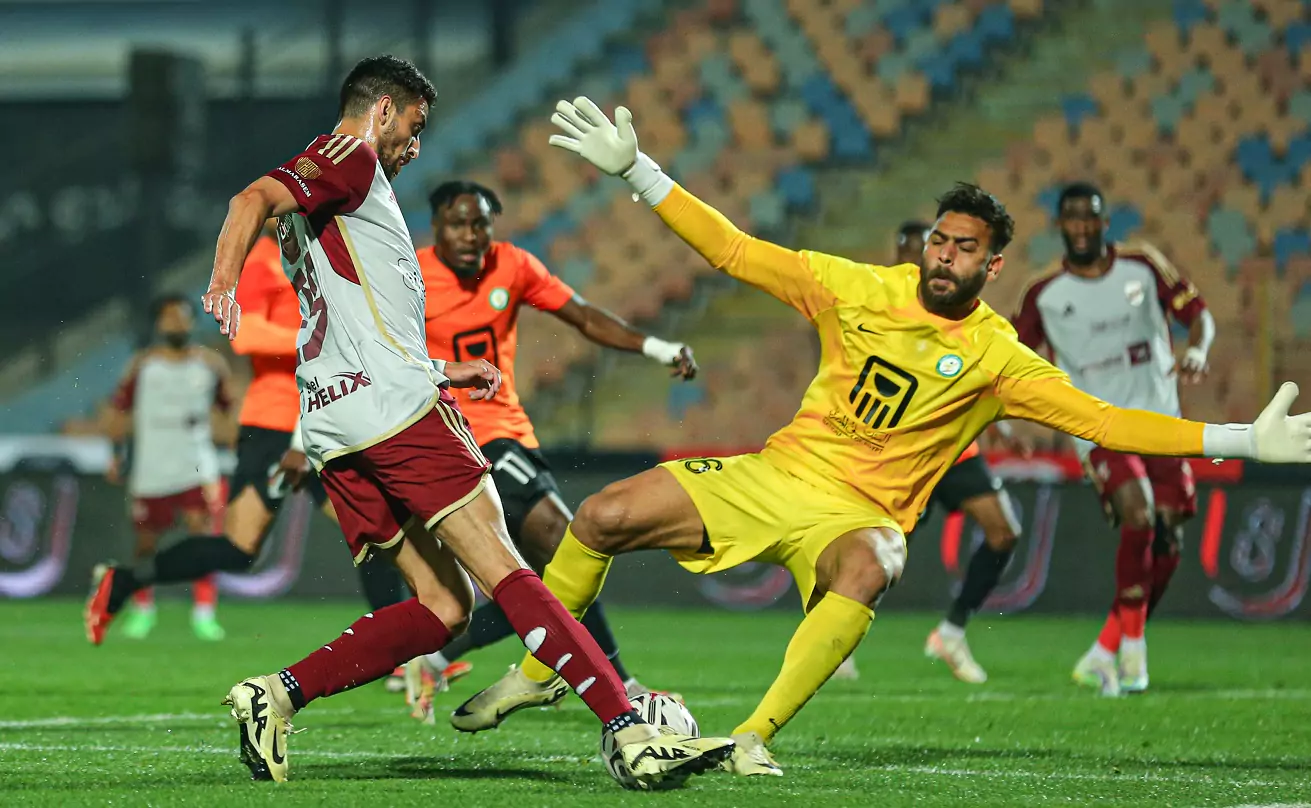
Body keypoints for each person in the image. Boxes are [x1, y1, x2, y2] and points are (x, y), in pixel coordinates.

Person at [450, 96, 1311, 777]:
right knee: (599, 514)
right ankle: (539, 672)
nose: (942, 256)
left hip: (854, 514)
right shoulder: (856, 287)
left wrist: (1236, 436)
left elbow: (1104, 420)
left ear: (991, 266)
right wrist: (638, 170)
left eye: (963, 249)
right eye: (938, 239)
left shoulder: (996, 359)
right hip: (775, 472)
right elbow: (737, 252)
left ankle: (751, 736)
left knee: (873, 562)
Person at [101, 57, 733, 786]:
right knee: (509, 568)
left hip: (338, 428)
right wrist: (221, 283)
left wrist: (436, 368)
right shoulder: (348, 157)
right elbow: (250, 199)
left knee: (441, 605)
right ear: (380, 112)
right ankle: (628, 730)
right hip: (396, 418)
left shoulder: (339, 198)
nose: (415, 145)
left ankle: (275, 695)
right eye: (414, 125)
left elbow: (350, 319)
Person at [82, 225, 460, 689]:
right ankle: (125, 581)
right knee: (241, 550)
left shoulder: (325, 252)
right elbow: (245, 334)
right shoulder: (261, 260)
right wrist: (320, 337)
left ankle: (406, 654)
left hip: (330, 415)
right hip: (276, 424)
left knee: (377, 532)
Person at [405, 180, 697, 721]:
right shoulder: (411, 275)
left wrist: (656, 347)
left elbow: (582, 315)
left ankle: (437, 658)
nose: (471, 236)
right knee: (565, 544)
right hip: (451, 436)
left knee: (548, 579)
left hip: (504, 432)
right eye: (457, 224)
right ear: (436, 226)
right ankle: (621, 685)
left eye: (480, 224)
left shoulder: (512, 265)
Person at [1013, 182, 1217, 696]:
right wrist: (1003, 418)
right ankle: (1133, 650)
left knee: (1168, 540)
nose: (1082, 227)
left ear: (1106, 223)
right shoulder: (1045, 295)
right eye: (1072, 218)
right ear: (1060, 226)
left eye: (1091, 217)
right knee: (1140, 513)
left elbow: (1200, 316)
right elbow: (1011, 361)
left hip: (1163, 422)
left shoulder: (1143, 266)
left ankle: (1105, 649)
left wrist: (1197, 349)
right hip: (1099, 428)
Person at [838, 221, 1030, 685]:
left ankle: (952, 631)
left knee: (1004, 531)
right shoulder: (879, 303)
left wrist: (998, 426)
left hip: (955, 451)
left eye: (924, 249)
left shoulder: (957, 309)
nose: (922, 258)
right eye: (911, 249)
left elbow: (978, 374)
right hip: (900, 456)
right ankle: (836, 638)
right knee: (878, 556)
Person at [105, 294, 233, 641]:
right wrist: (116, 453)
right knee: (146, 543)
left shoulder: (210, 365)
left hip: (196, 465)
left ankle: (204, 614)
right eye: (168, 317)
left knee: (202, 538)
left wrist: (235, 442)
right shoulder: (142, 365)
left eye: (182, 317)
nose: (176, 323)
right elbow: (118, 411)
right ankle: (143, 610)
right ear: (158, 324)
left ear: (192, 322)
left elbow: (228, 408)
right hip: (152, 466)